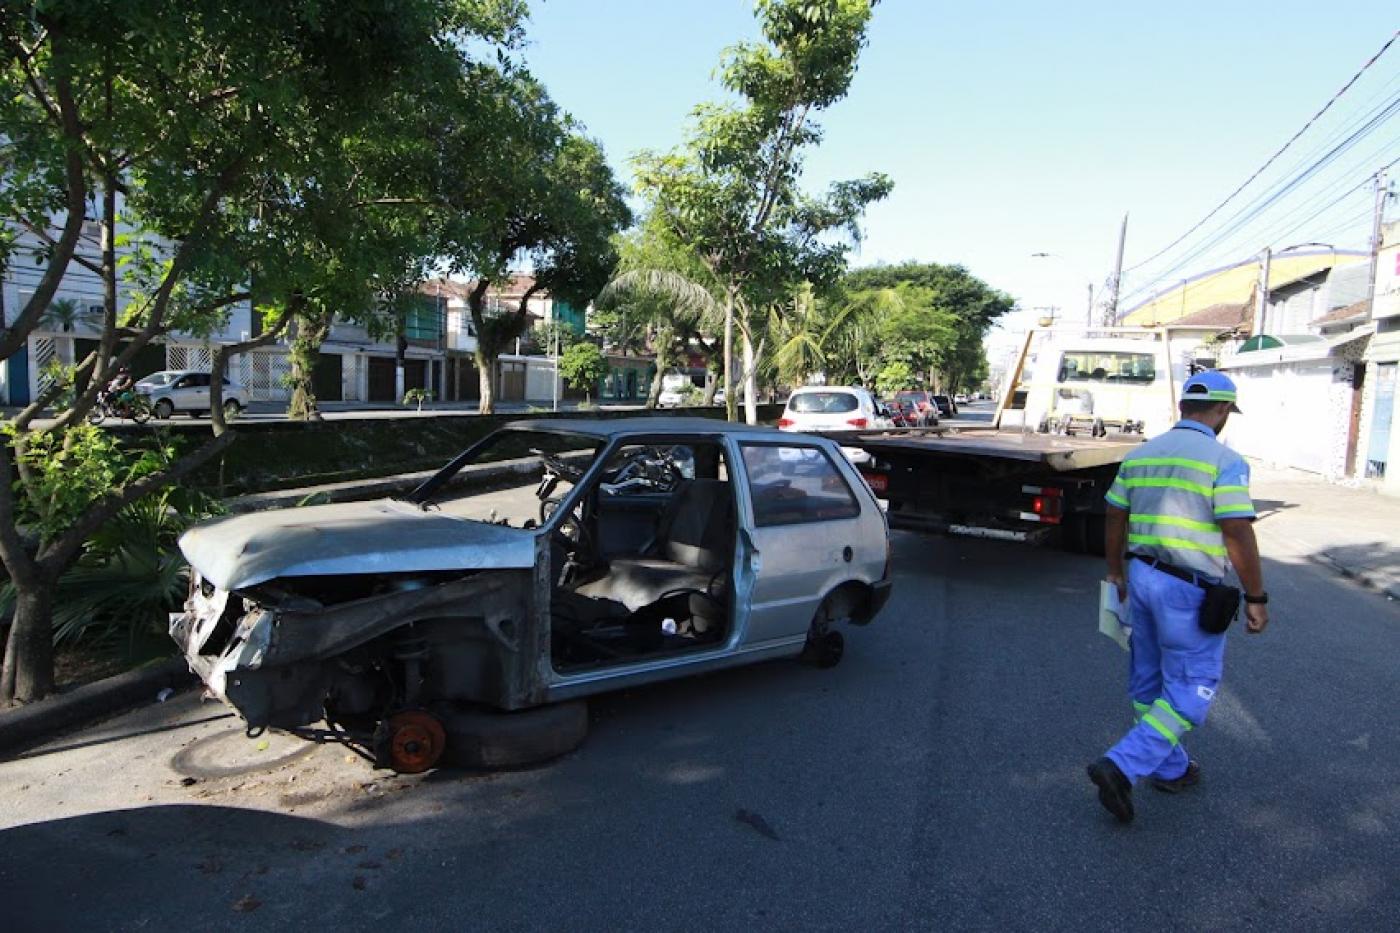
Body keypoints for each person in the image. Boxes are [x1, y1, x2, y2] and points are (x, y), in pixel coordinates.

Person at [1087, 370, 1269, 824]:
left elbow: (1114, 514)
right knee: (1192, 687)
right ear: (1223, 410)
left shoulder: (1142, 454)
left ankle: (1171, 767)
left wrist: (1115, 570)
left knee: (1148, 679)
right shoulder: (1223, 459)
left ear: (1183, 406)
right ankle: (1123, 764)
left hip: (1142, 577)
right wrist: (1256, 595)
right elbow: (1236, 529)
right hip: (1188, 590)